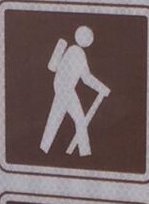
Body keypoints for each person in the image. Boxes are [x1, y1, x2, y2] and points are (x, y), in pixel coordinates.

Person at [39, 25, 109, 157]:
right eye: (88, 37)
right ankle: (85, 154)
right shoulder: (77, 52)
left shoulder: (72, 50)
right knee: (80, 120)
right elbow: (86, 78)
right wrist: (101, 88)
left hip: (61, 87)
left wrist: (101, 88)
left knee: (55, 118)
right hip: (65, 89)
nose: (90, 40)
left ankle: (43, 149)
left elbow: (84, 77)